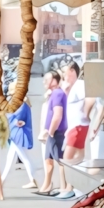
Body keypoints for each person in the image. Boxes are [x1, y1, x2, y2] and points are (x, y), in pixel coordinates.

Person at [36, 69, 73, 198]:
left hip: (56, 132)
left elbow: (58, 115)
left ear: (54, 81)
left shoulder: (57, 93)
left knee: (60, 161)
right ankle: (46, 186)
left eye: (47, 79)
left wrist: (50, 132)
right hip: (53, 132)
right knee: (49, 160)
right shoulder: (54, 94)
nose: (44, 82)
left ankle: (64, 187)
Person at [1, 95, 39, 189]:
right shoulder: (24, 104)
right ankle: (1, 179)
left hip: (17, 134)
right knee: (12, 157)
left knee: (24, 158)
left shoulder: (21, 105)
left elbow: (16, 120)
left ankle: (33, 179)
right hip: (17, 134)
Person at [62, 61, 89, 165]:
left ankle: (69, 181)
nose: (64, 75)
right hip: (76, 126)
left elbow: (88, 99)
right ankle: (73, 180)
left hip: (78, 126)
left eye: (65, 72)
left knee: (68, 159)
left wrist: (86, 114)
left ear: (72, 71)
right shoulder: (74, 86)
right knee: (78, 158)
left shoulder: (79, 84)